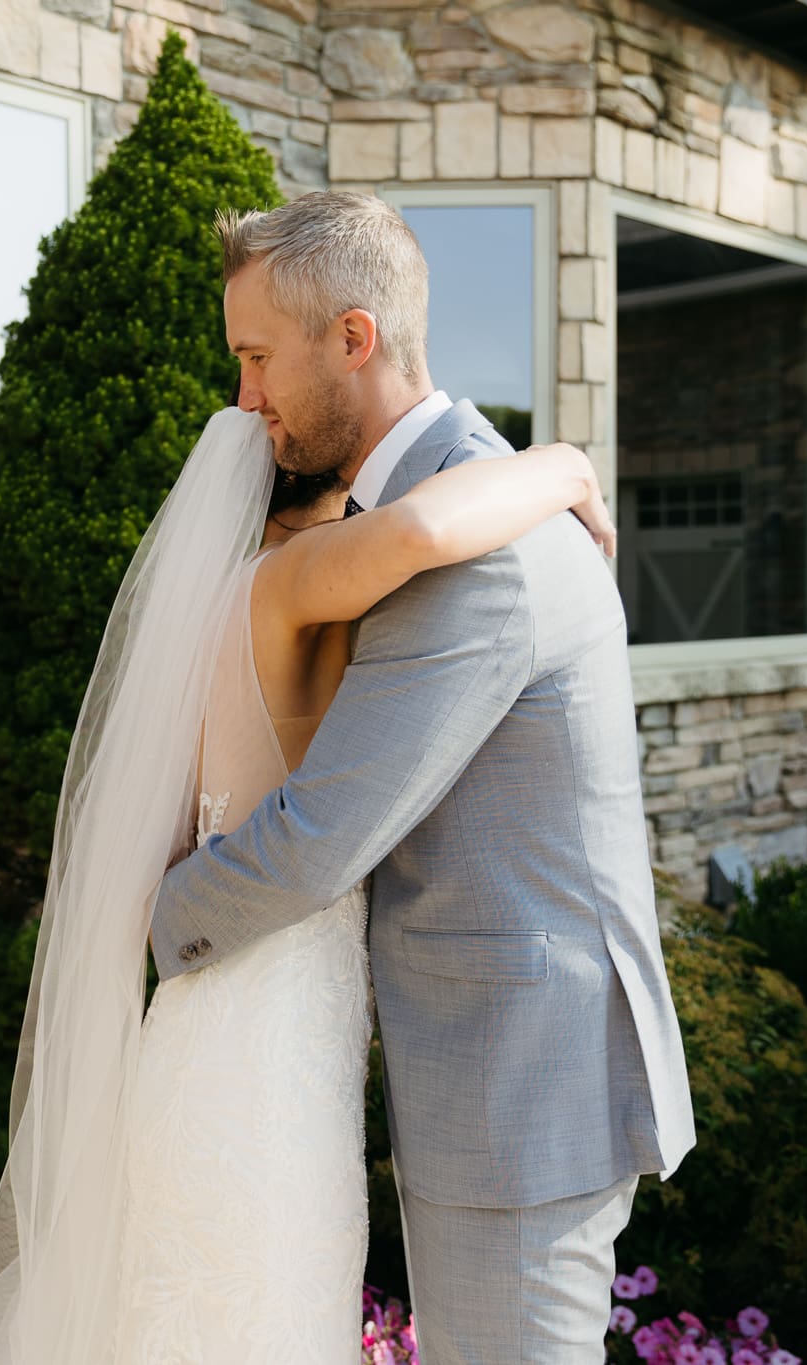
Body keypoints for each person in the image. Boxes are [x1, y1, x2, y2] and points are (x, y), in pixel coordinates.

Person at [147, 192, 696, 1365]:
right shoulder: (439, 507)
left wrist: (138, 931)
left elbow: (317, 837)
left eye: (255, 358)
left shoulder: (470, 549)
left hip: (519, 1090)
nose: (242, 401)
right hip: (485, 1069)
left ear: (353, 338)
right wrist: (563, 460)